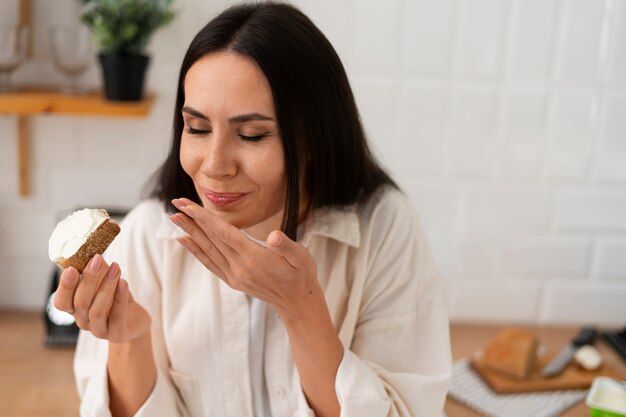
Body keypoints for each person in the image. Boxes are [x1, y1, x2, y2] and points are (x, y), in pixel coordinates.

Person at [54, 2, 451, 417]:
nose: (214, 166)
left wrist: (301, 306)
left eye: (251, 135)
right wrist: (129, 339)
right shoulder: (146, 237)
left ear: (314, 138)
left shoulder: (382, 229)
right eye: (198, 128)